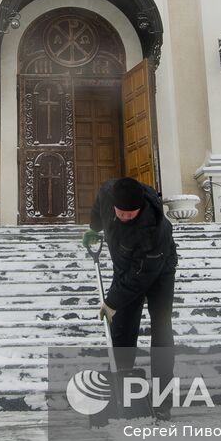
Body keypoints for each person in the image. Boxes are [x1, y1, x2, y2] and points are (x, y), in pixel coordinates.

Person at [82, 176, 178, 419]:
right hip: (125, 265)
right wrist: (94, 228)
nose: (125, 217)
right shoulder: (108, 193)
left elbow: (141, 276)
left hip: (158, 271)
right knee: (122, 329)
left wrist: (112, 301)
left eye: (131, 213)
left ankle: (162, 401)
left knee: (161, 330)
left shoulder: (153, 228)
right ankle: (120, 391)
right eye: (121, 212)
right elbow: (98, 208)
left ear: (140, 209)